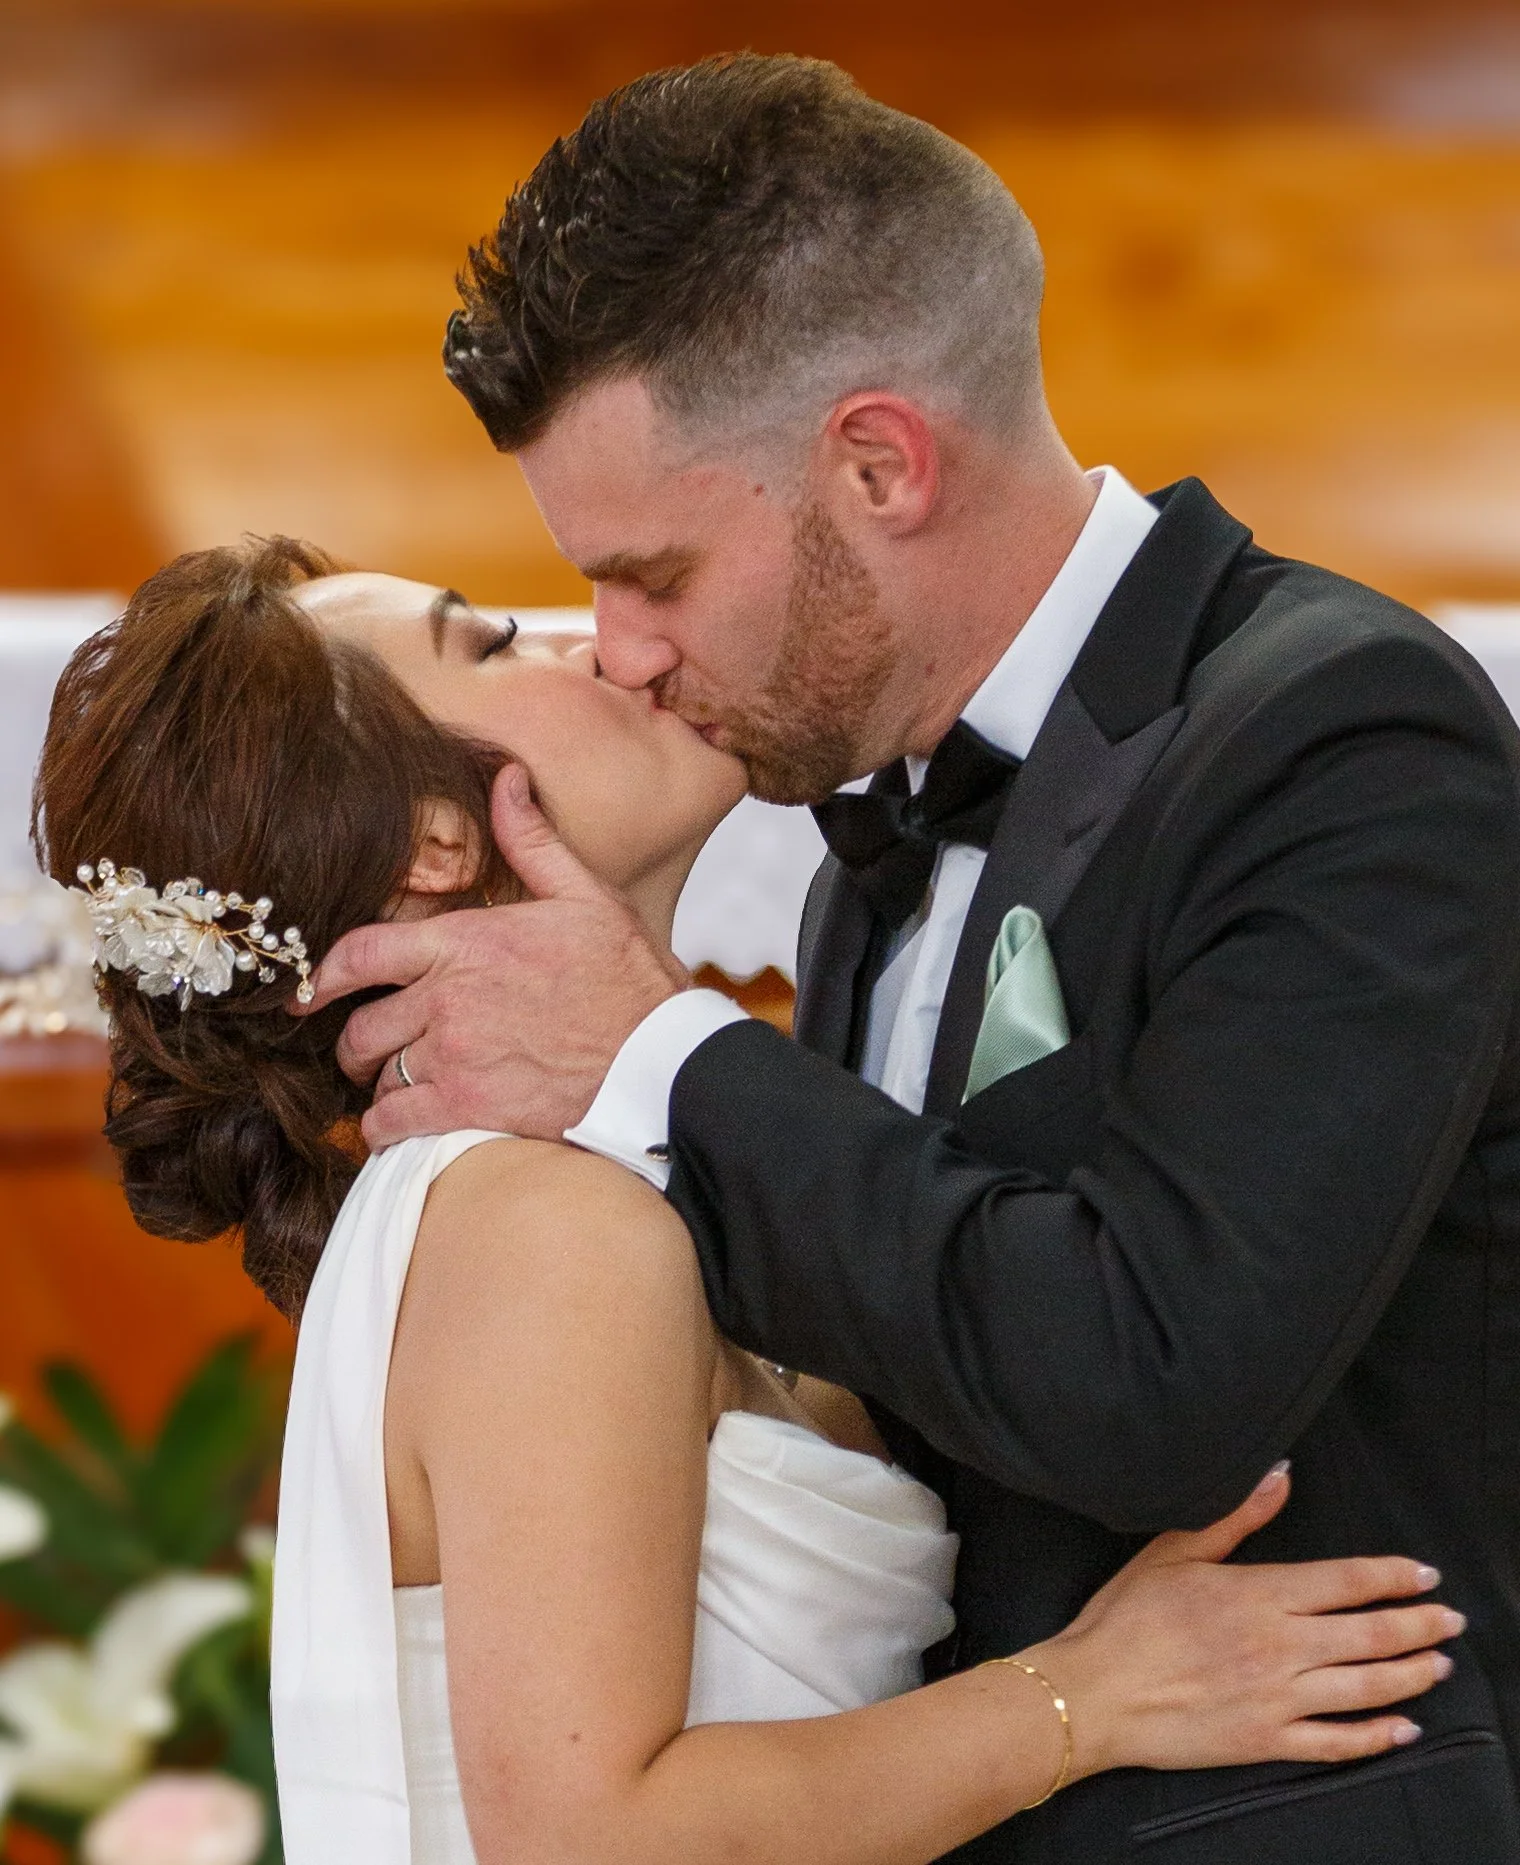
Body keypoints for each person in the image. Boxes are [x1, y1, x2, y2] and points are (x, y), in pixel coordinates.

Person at [303, 53, 1520, 1863]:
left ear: (879, 462)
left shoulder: (1340, 736)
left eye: (653, 573)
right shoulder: (860, 847)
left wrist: (669, 1059)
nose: (620, 653)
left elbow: (1158, 1385)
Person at [33, 541, 1461, 1865]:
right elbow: (596, 1835)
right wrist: (1092, 1697)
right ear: (430, 842)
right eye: (491, 645)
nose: (597, 646)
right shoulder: (539, 1224)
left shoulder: (624, 1181)